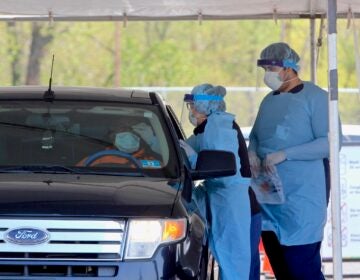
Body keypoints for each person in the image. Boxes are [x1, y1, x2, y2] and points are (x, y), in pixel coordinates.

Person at [249, 42, 340, 280]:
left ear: (289, 68)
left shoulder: (316, 98)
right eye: (265, 68)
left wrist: (286, 154)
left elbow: (330, 141)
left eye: (272, 68)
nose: (267, 74)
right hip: (269, 199)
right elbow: (257, 136)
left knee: (302, 268)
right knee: (281, 268)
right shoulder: (269, 100)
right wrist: (252, 152)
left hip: (302, 199)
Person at [180, 83, 254, 280]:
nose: (191, 111)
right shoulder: (206, 129)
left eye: (193, 106)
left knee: (233, 261)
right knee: (225, 257)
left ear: (206, 107)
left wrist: (194, 158)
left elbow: (221, 163)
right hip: (218, 196)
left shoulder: (220, 127)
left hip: (232, 201)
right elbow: (187, 148)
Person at [77, 122, 159, 167]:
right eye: (122, 130)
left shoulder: (93, 159)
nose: (127, 137)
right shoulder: (147, 162)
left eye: (128, 131)